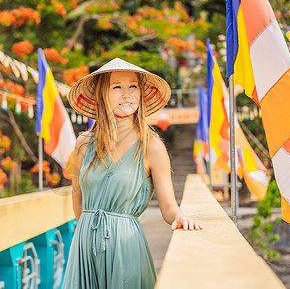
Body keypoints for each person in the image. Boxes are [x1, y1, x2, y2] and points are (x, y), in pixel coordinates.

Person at [63, 58, 202, 289]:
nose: (126, 94)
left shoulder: (152, 147)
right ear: (102, 95)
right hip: (84, 249)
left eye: (133, 87)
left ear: (141, 94)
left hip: (125, 248)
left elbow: (168, 207)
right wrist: (92, 236)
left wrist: (178, 216)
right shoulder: (83, 145)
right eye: (117, 87)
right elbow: (77, 203)